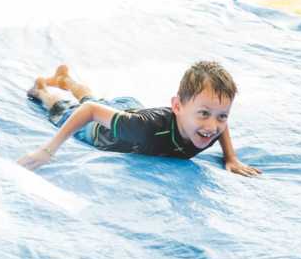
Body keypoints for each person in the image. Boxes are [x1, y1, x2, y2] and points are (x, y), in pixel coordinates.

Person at [18, 61, 261, 176]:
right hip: (103, 129)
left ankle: (66, 80)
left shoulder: (207, 126)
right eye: (204, 114)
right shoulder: (145, 130)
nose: (212, 126)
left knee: (99, 102)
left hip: (131, 110)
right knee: (72, 110)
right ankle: (42, 91)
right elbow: (90, 111)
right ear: (177, 106)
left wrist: (231, 157)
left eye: (221, 116)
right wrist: (47, 151)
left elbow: (220, 124)